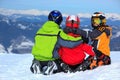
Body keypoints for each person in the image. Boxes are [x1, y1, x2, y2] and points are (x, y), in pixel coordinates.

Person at [30, 10, 83, 75]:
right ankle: (52, 65)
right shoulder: (58, 32)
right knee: (61, 61)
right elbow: (71, 43)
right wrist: (81, 39)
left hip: (37, 57)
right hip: (51, 59)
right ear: (60, 21)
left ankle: (37, 63)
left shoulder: (39, 31)